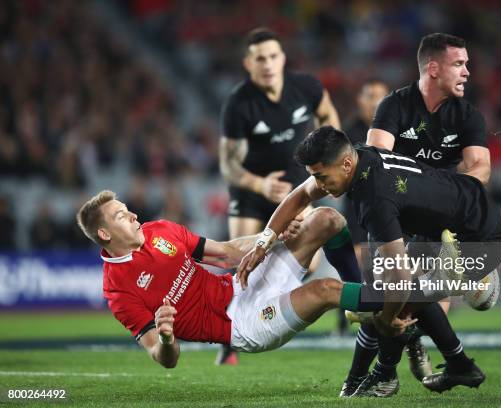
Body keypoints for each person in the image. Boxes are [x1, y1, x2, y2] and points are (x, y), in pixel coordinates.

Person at [238, 126, 501, 395]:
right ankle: (456, 364)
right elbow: (301, 195)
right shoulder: (359, 156)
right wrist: (264, 242)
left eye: (321, 176)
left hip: (479, 240)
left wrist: (386, 320)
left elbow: (399, 280)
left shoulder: (375, 198)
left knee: (392, 305)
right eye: (314, 176)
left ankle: (384, 377)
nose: (319, 185)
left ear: (345, 164)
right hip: (444, 226)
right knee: (388, 297)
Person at [75, 190, 410, 369]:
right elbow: (165, 359)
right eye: (121, 215)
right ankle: (412, 293)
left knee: (325, 218)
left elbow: (225, 253)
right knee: (324, 290)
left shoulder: (158, 230)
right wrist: (164, 337)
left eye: (126, 208)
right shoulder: (118, 290)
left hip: (241, 284)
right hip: (243, 324)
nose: (133, 214)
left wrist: (274, 236)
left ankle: (369, 307)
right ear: (104, 233)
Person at [350, 32, 494, 396]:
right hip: (394, 215)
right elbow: (378, 160)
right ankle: (385, 370)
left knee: (410, 303)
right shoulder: (394, 106)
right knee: (395, 298)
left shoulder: (468, 115)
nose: (467, 72)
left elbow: (480, 169)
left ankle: (385, 370)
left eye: (467, 64)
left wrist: (442, 201)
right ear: (433, 68)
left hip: (439, 219)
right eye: (459, 64)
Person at [218, 27, 341, 365]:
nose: (268, 64)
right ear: (248, 63)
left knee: (312, 259)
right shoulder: (238, 105)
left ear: (282, 58)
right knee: (236, 261)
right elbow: (228, 166)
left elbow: (329, 117)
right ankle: (228, 335)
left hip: (294, 190)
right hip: (251, 191)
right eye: (260, 58)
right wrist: (259, 185)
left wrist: (330, 152)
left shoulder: (307, 88)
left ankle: (271, 309)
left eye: (273, 56)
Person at [334, 78, 389, 336]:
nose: (376, 101)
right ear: (360, 101)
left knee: (380, 263)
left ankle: (376, 313)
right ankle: (347, 315)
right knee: (357, 260)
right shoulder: (349, 131)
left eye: (381, 95)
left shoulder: (394, 128)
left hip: (386, 205)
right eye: (371, 95)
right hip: (356, 205)